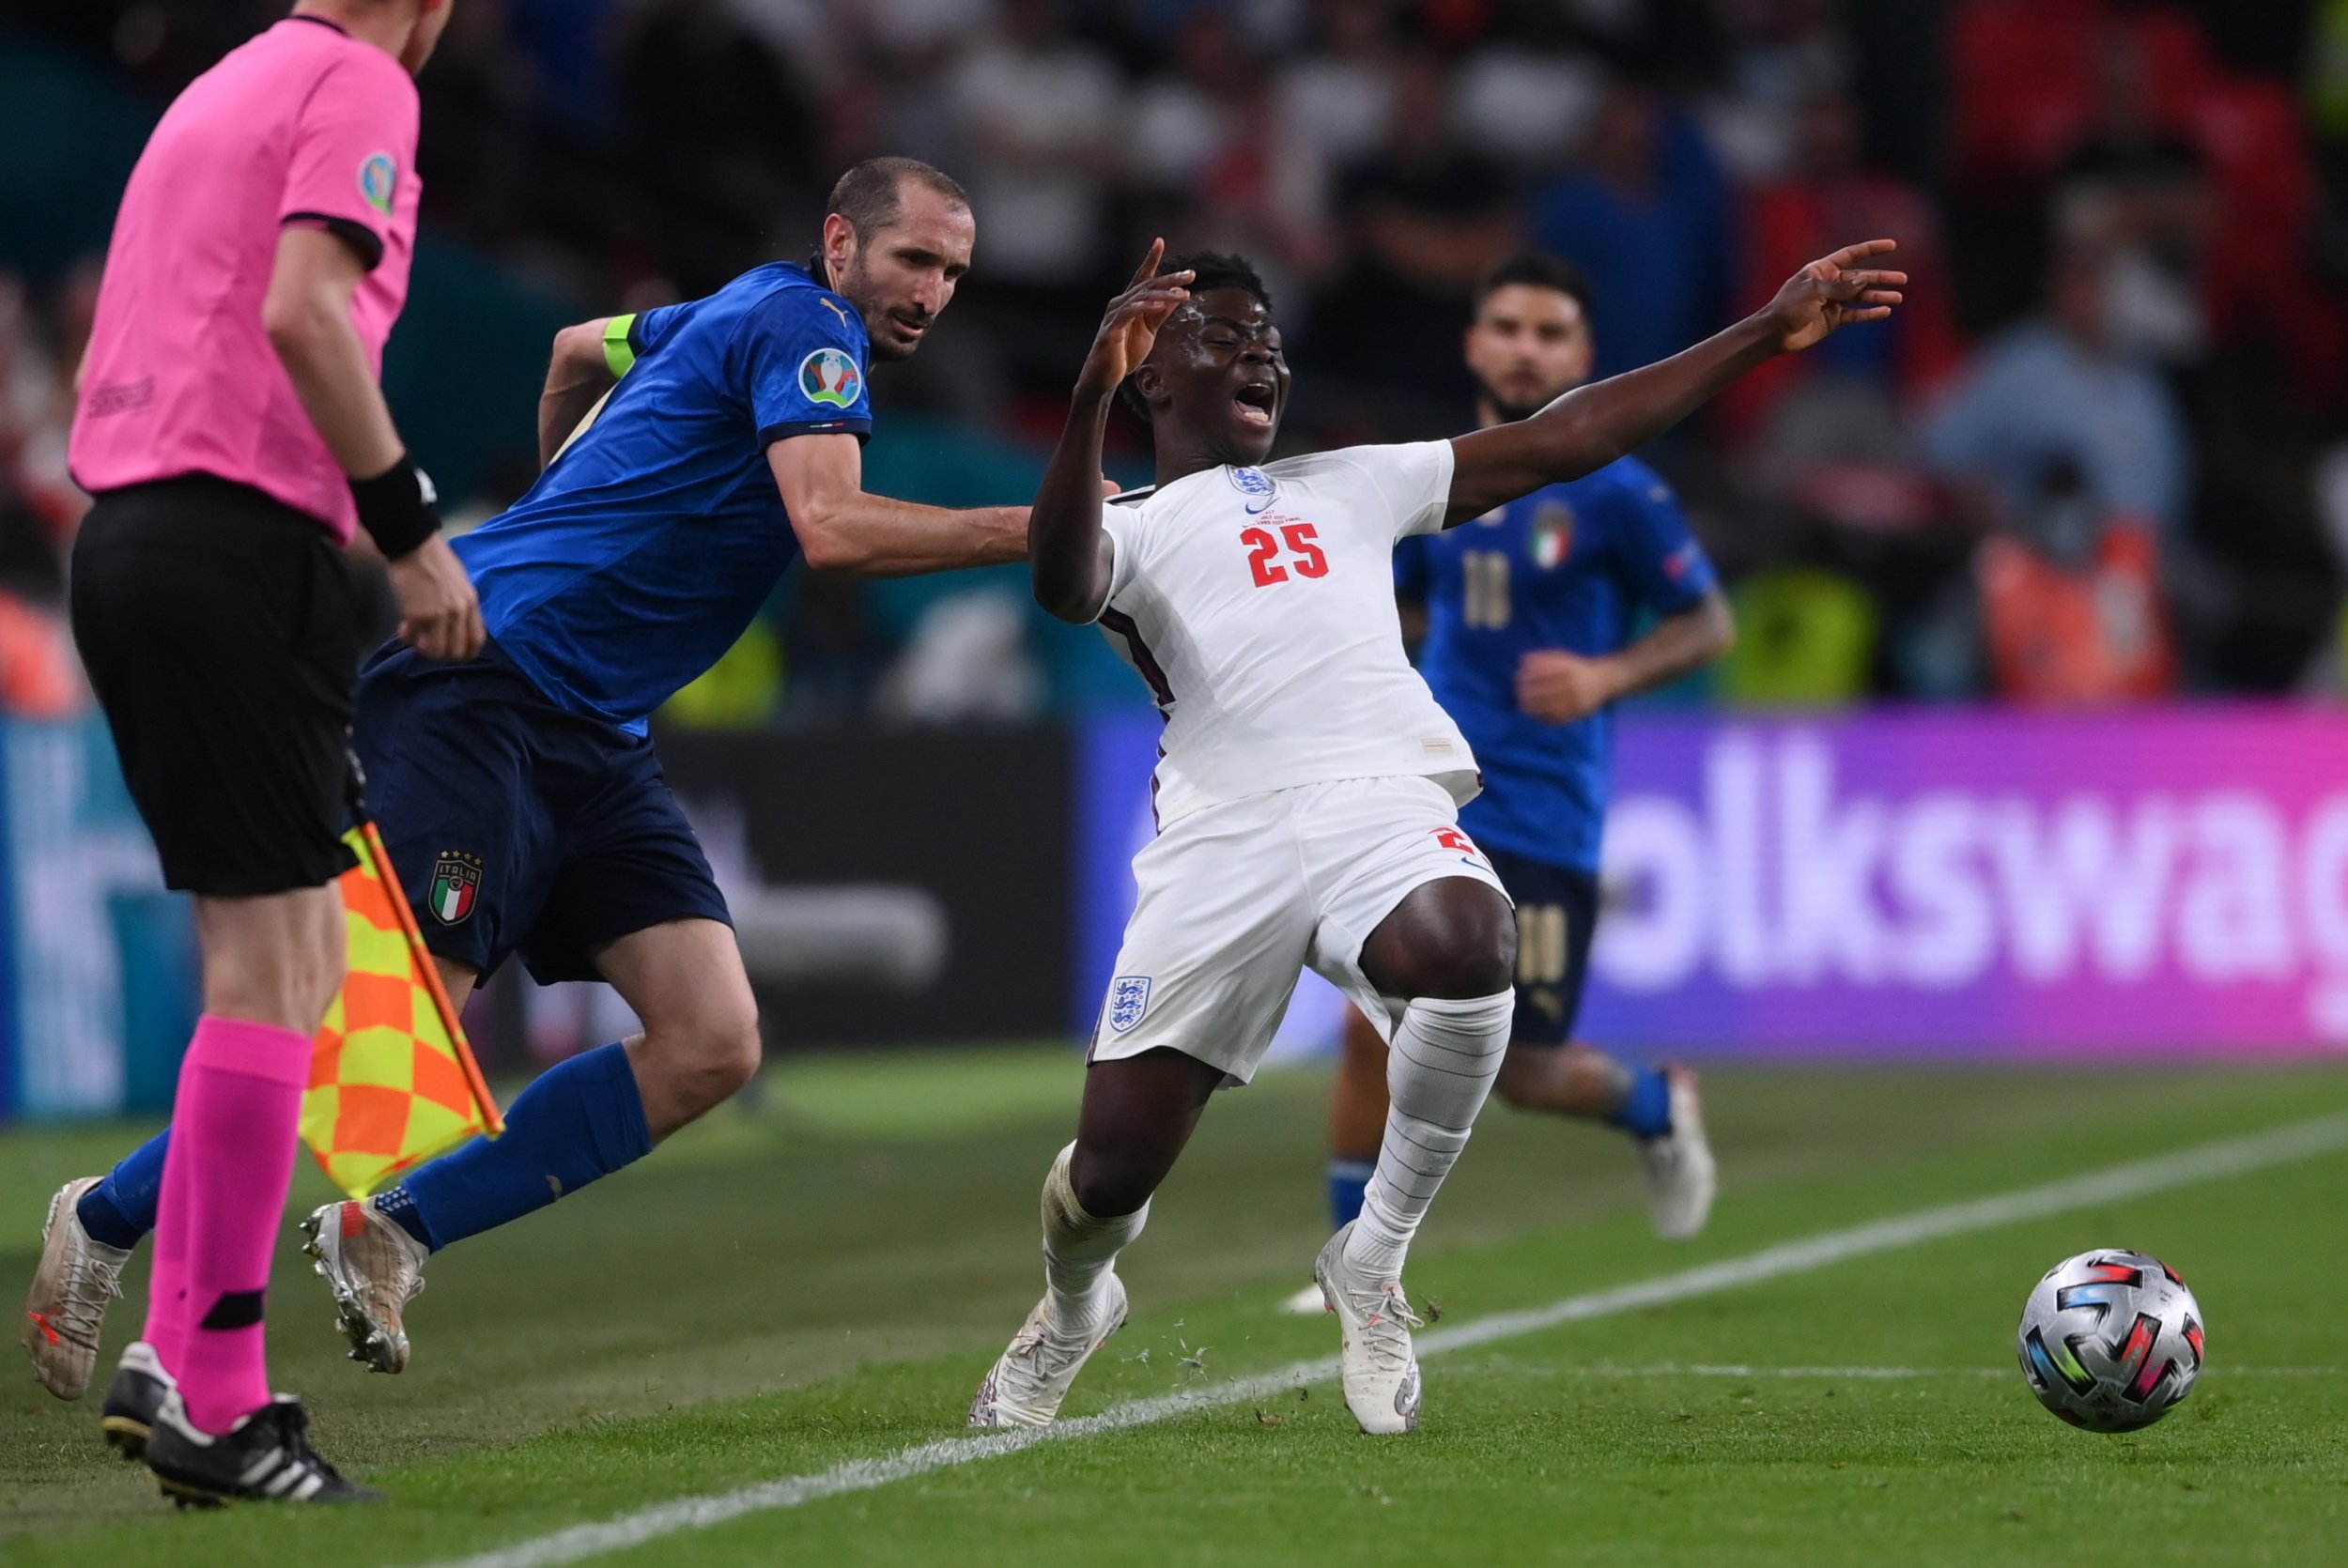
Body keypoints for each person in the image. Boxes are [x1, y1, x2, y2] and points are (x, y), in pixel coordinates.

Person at [25, 158, 1029, 1453]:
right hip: (483, 682)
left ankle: (390, 1222)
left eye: (953, 273)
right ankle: (106, 1217)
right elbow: (829, 529)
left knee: (713, 1039)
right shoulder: (806, 328)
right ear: (843, 242)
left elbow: (572, 347)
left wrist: (573, 495)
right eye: (913, 260)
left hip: (592, 732)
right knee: (404, 1011)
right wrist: (1036, 527)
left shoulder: (718, 311)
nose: (931, 293)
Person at [967, 236, 1901, 1437]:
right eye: (1225, 333)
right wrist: (1087, 388)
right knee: (1106, 1178)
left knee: (1472, 939)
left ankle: (1372, 1258)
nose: (1262, 349)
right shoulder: (1131, 521)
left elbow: (1566, 437)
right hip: (1224, 837)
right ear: (1152, 372)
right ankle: (1073, 1305)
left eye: (1271, 338)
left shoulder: (1356, 480)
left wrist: (1764, 330)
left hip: (1378, 797)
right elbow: (1058, 581)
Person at [38, 0, 476, 1505]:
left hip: (131, 533)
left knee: (289, 963)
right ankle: (215, 1386)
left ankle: (182, 1353)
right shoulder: (358, 82)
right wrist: (412, 532)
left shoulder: (219, 91)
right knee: (276, 968)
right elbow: (304, 311)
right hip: (238, 543)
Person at [1280, 256, 1735, 1318]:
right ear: (1474, 345)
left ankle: (1654, 1099)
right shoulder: (1430, 478)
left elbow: (1707, 621)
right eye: (1508, 327)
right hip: (1426, 792)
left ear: (1582, 356)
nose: (1526, 346)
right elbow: (1391, 607)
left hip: (1543, 811)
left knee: (1521, 1070)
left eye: (1550, 331)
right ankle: (1355, 1256)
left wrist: (1608, 674)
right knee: (1364, 1016)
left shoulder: (1618, 490)